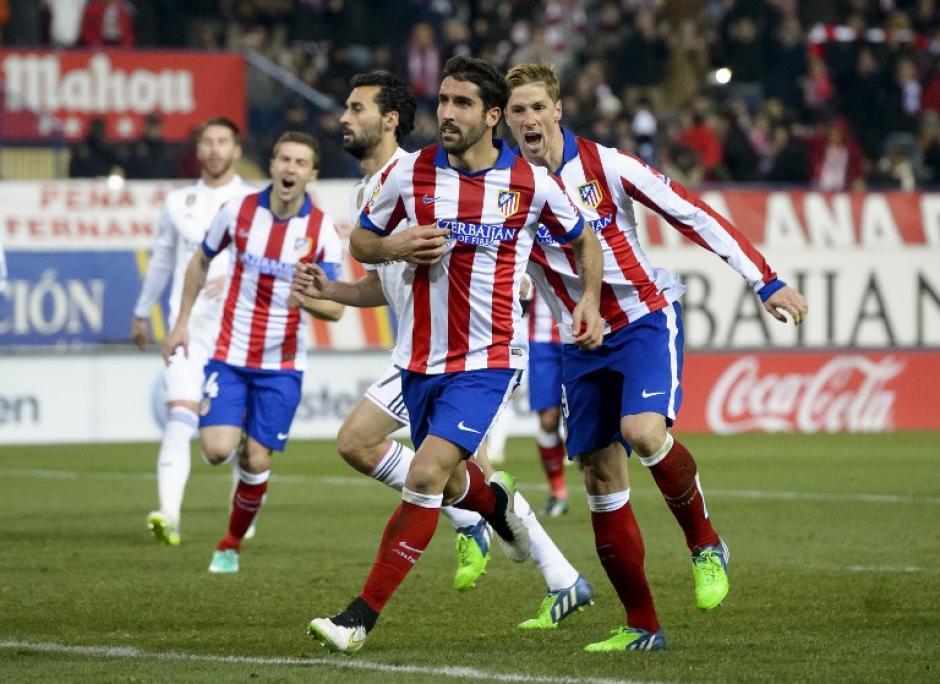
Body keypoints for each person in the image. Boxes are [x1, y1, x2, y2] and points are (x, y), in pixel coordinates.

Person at [505, 62, 808, 652]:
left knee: (642, 432)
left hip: (644, 319)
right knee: (599, 477)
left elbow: (692, 214)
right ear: (505, 119)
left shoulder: (608, 165)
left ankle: (705, 543)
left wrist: (765, 281)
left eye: (538, 106)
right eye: (518, 110)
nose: (529, 119)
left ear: (559, 109)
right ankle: (642, 626)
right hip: (579, 343)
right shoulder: (506, 187)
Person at [306, 56, 604, 654]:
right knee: (453, 482)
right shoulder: (410, 173)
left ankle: (358, 619)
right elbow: (364, 238)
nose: (446, 112)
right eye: (442, 100)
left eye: (462, 103)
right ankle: (503, 515)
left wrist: (590, 300)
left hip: (488, 359)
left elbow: (585, 238)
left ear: (493, 116)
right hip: (418, 361)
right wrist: (390, 245)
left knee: (424, 473)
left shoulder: (529, 183)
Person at [161, 131, 344, 574]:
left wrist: (309, 300)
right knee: (217, 450)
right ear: (273, 164)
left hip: (282, 366)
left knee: (256, 459)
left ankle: (230, 544)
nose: (290, 168)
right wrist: (181, 322)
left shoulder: (321, 230)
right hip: (230, 355)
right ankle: (236, 428)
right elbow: (200, 260)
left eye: (300, 162)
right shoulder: (238, 211)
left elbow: (336, 308)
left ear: (311, 174)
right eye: (284, 159)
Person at [132, 117, 254, 547]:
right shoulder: (177, 202)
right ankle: (168, 514)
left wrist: (235, 279)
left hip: (238, 335)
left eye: (224, 141)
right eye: (208, 142)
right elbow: (163, 260)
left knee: (236, 437)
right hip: (188, 331)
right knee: (179, 418)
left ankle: (243, 512)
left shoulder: (253, 202)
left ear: (236, 150)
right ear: (199, 150)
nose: (216, 149)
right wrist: (141, 311)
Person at [524, 286, 569, 516]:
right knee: (548, 420)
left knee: (585, 418)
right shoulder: (528, 249)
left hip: (576, 336)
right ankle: (558, 493)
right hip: (541, 341)